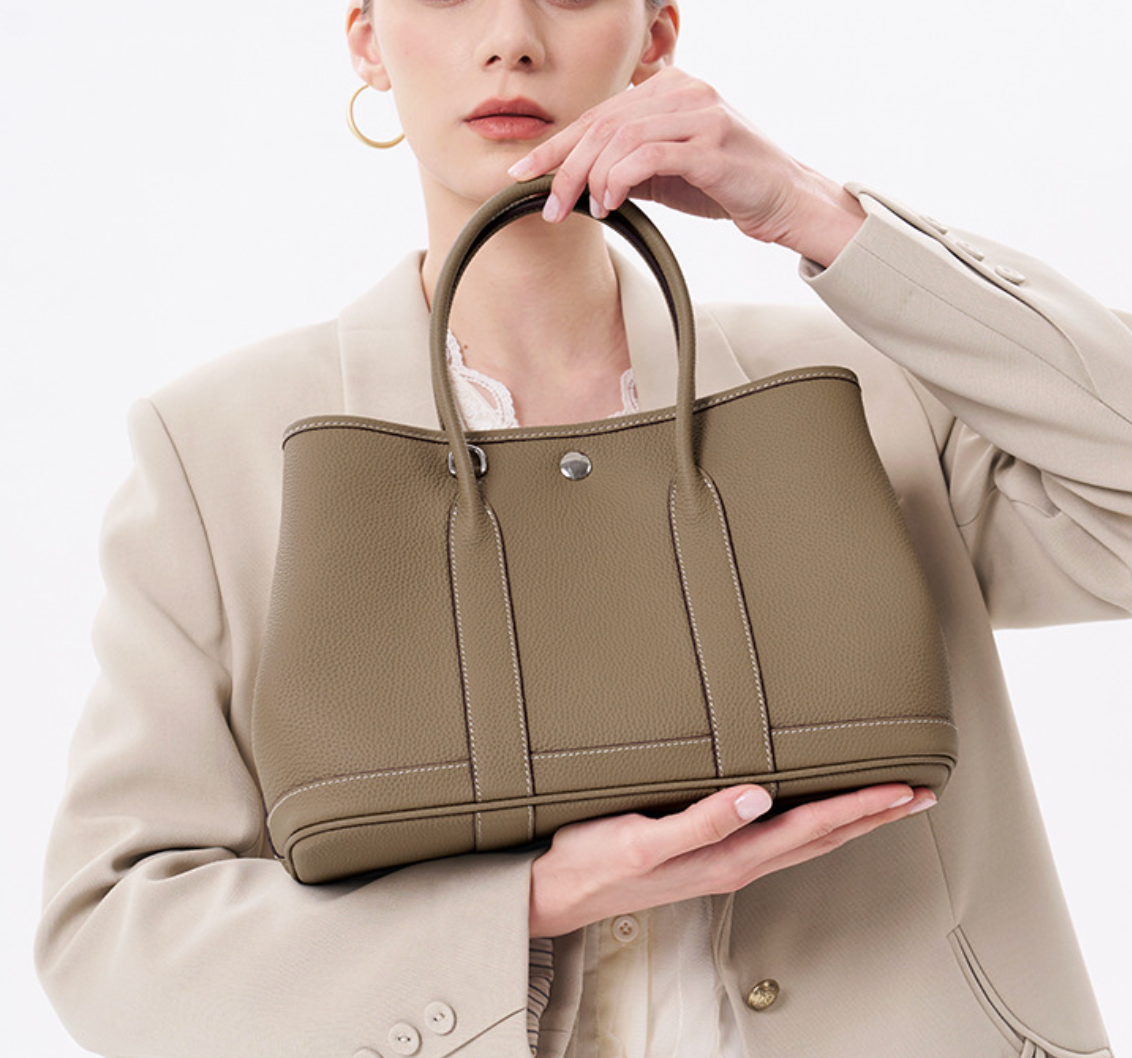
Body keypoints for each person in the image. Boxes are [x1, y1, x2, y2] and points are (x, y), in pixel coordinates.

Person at [34, 1, 1132, 1056]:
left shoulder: (849, 393)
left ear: (655, 37)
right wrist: (528, 901)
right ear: (368, 41)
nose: (510, 40)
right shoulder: (223, 449)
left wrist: (811, 211)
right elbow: (114, 941)